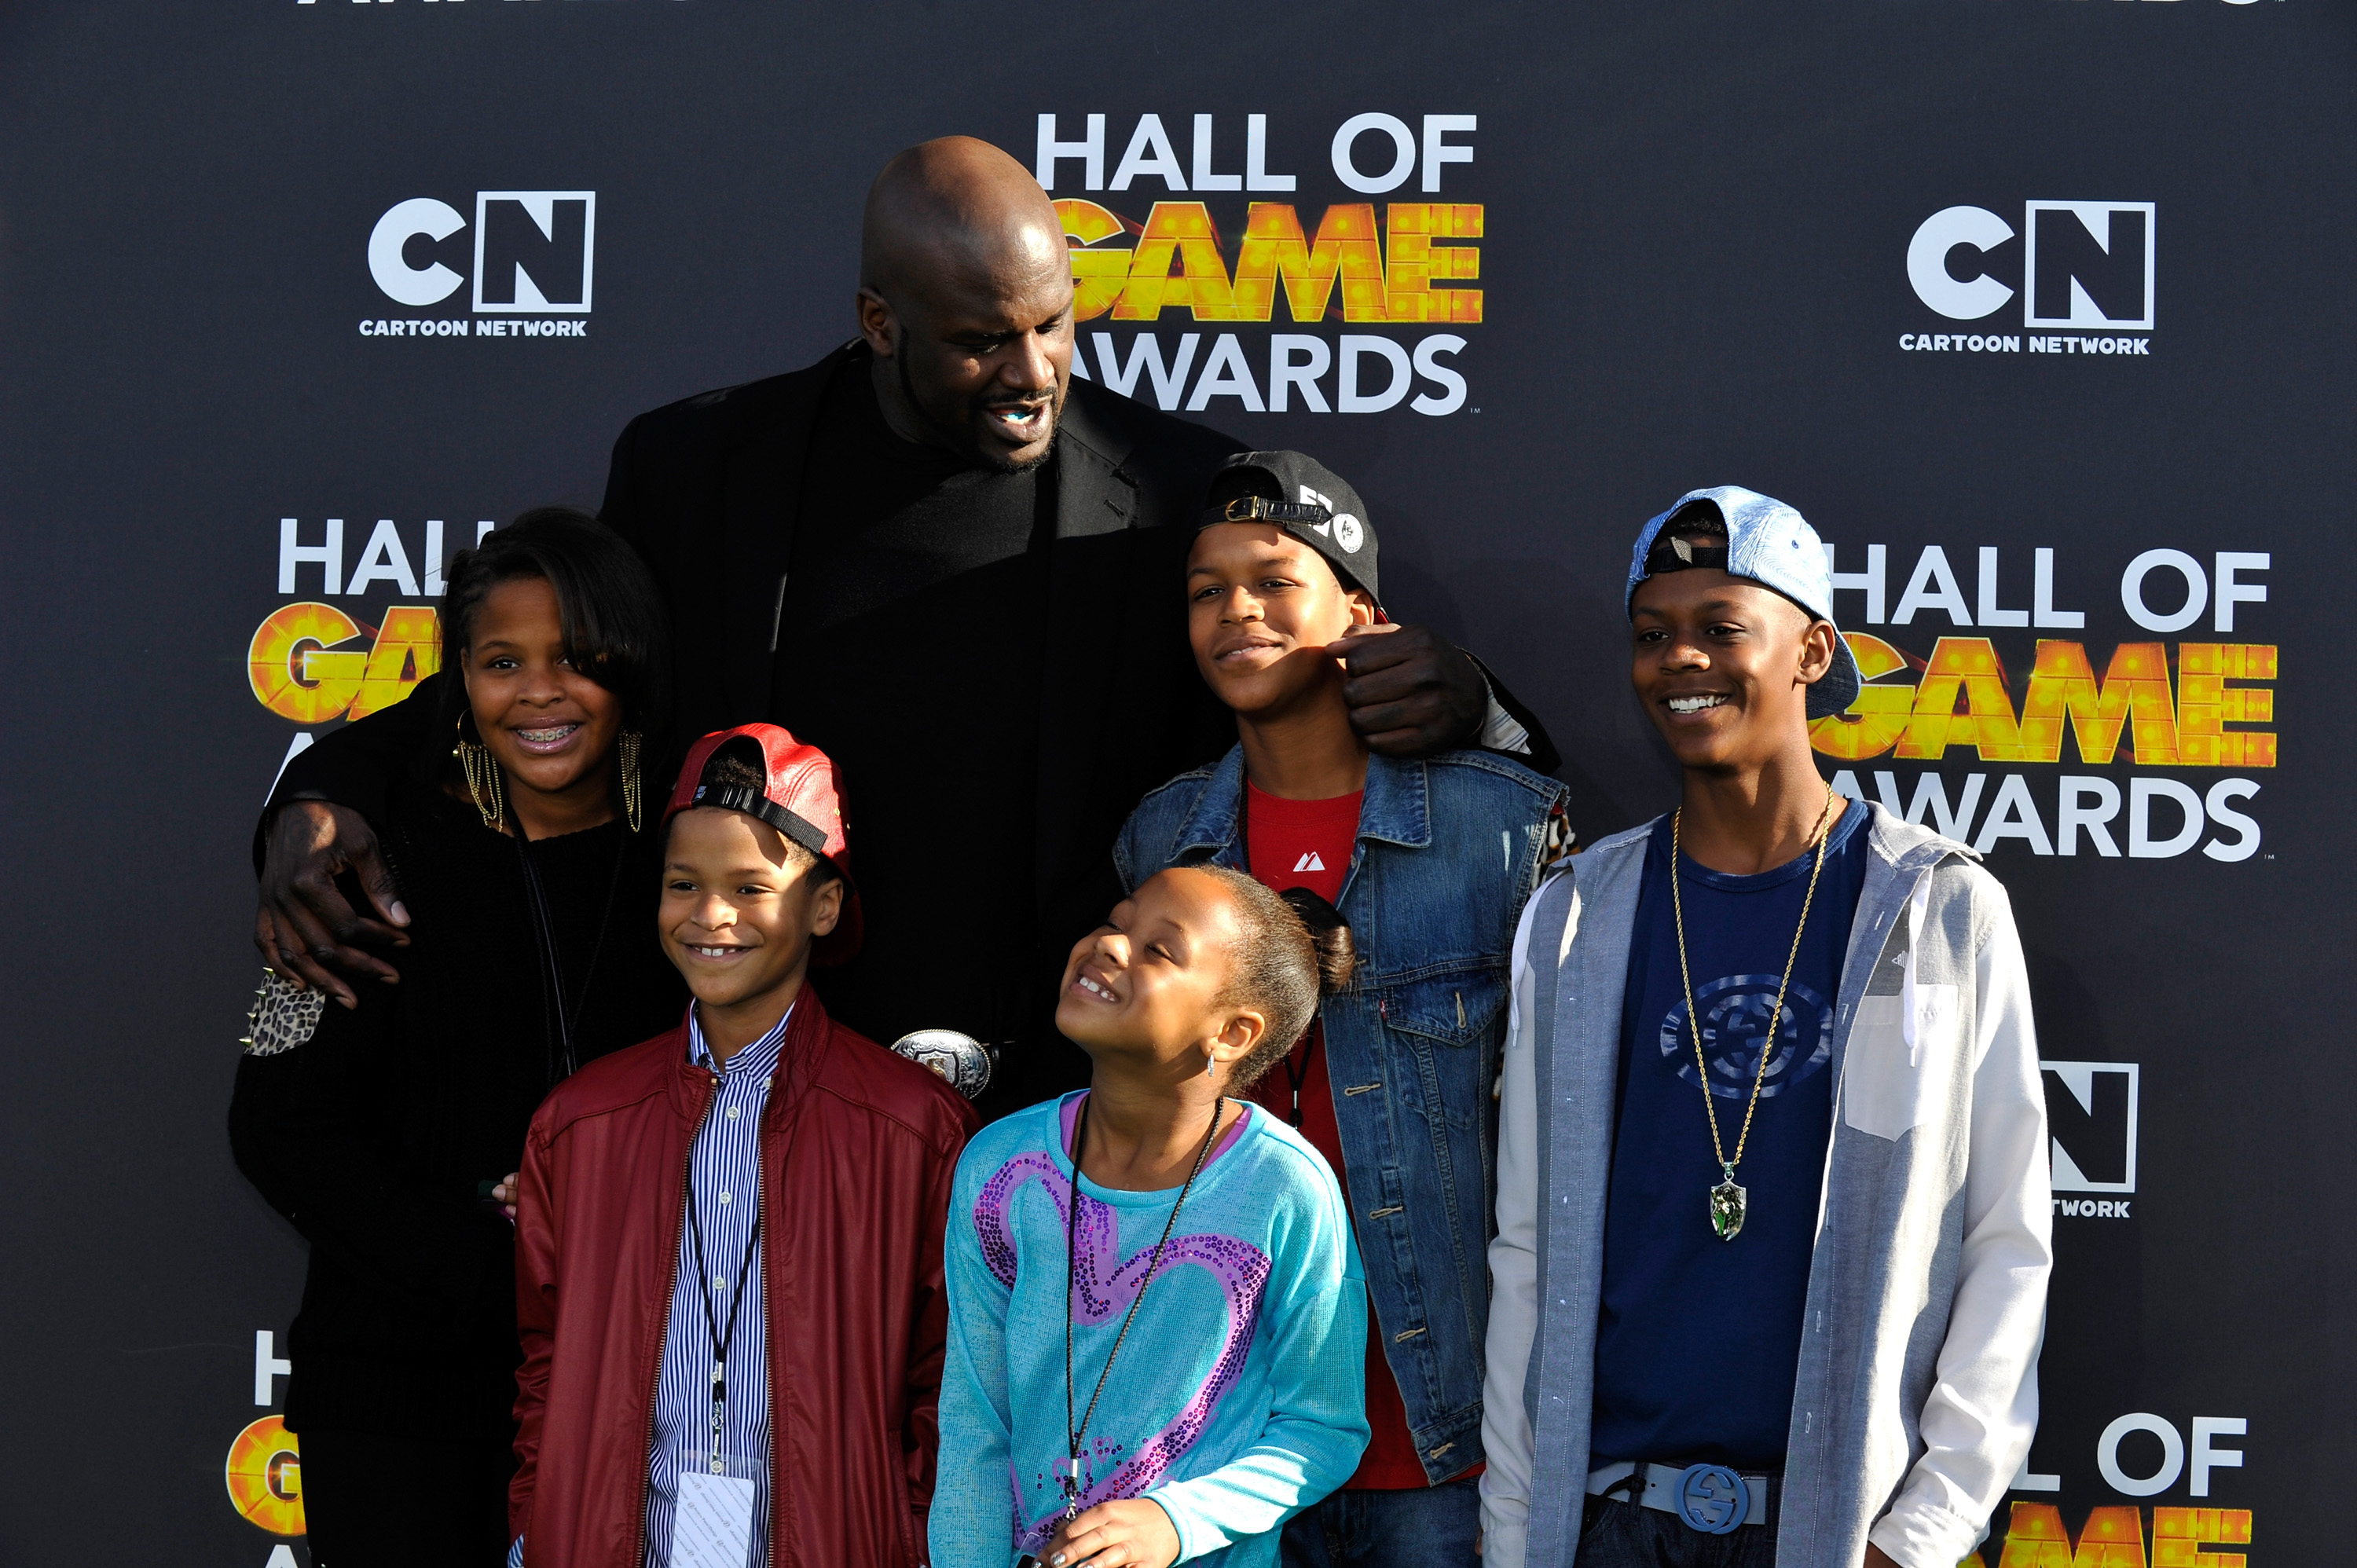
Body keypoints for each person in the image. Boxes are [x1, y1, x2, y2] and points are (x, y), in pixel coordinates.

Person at [251, 134, 1556, 1119]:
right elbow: (541, 679)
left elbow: (1321, 694)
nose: (1035, 373)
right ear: (883, 325)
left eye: (1053, 326)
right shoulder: (699, 471)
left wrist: (1470, 705)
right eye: (987, 341)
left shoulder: (1168, 492)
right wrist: (330, 788)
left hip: (1058, 1121)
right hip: (760, 1101)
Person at [1479, 489, 2052, 1568]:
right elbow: (1527, 1251)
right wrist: (1516, 1539)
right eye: (1654, 636)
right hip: (1609, 1525)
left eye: (1720, 628)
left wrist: (1923, 1534)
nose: (1679, 660)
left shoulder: (1935, 906)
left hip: (1839, 1531)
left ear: (1813, 649)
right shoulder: (1576, 913)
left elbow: (2006, 1240)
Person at [1113, 452, 1568, 1566]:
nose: (1237, 612)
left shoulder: (1500, 829)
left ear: (1361, 614)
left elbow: (1571, 1133)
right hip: (1214, 1438)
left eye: (1273, 579)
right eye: (1208, 591)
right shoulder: (1162, 841)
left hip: (1437, 1439)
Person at [227, 507, 687, 1564]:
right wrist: (494, 1274)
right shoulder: (362, 876)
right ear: (455, 681)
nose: (539, 693)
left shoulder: (684, 868)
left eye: (577, 659)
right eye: (500, 662)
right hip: (399, 1404)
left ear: (632, 665)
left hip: (632, 1407)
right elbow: (278, 1128)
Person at [506, 722, 976, 1568]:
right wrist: (537, 1529)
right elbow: (545, 1366)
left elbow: (951, 1382)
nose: (710, 916)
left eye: (751, 887)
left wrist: (907, 1539)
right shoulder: (578, 1121)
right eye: (683, 883)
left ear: (824, 905)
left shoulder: (916, 1127)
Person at [933, 866, 1372, 1568]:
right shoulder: (999, 1168)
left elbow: (1323, 1430)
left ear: (1232, 1032)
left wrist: (1176, 1522)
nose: (1110, 946)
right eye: (1116, 922)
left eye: (1158, 951)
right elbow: (973, 1426)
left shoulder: (1285, 1186)